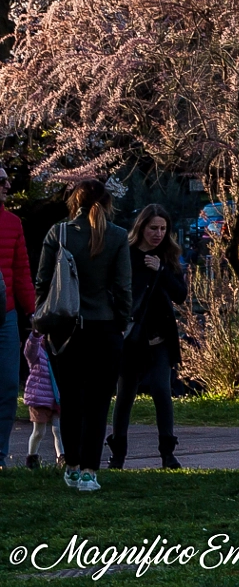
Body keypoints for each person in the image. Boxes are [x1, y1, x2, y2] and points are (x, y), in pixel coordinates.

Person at [36, 180, 130, 491]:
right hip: (104, 326)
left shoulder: (58, 233)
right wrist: (122, 322)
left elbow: (43, 281)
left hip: (65, 328)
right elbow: (123, 288)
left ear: (74, 201)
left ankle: (72, 465)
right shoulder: (116, 236)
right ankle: (91, 470)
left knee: (71, 399)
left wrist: (40, 320)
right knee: (99, 401)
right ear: (107, 203)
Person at [110, 204, 186, 470]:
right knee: (125, 393)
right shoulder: (127, 255)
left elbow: (181, 294)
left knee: (162, 390)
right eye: (153, 228)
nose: (158, 234)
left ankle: (167, 452)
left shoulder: (168, 257)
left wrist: (161, 271)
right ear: (141, 227)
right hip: (132, 337)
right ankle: (118, 453)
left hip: (160, 336)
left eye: (163, 229)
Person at [0, 165, 36, 471]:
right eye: (1, 181)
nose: (6, 186)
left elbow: (22, 271)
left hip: (6, 314)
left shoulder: (13, 223)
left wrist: (33, 312)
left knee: (9, 385)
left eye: (6, 181)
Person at [21, 330, 60, 468]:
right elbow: (29, 351)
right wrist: (35, 335)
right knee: (39, 432)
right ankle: (32, 458)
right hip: (40, 397)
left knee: (58, 429)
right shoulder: (38, 350)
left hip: (57, 397)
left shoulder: (59, 349)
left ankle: (62, 458)